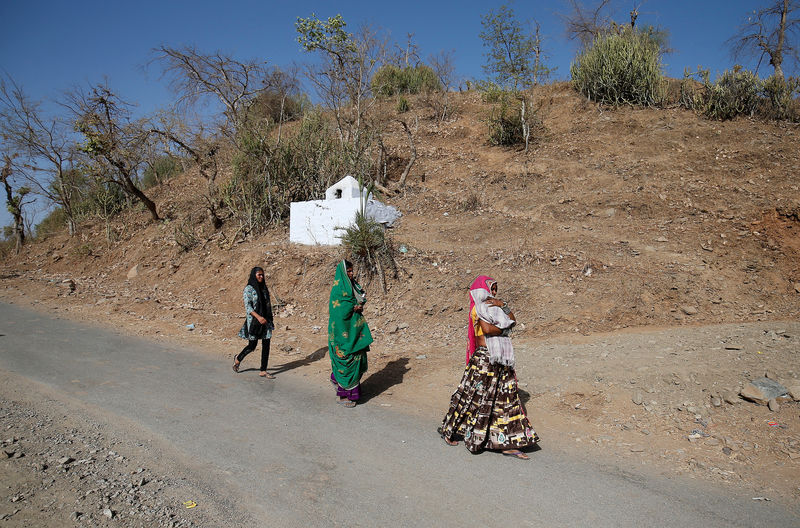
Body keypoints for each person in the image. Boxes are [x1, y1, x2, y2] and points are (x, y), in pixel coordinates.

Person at [439, 275, 538, 459]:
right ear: (481, 290)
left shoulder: (496, 309)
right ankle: (449, 430)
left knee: (504, 401)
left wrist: (503, 305)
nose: (494, 292)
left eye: (495, 289)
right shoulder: (478, 309)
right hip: (484, 359)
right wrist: (505, 329)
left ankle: (507, 444)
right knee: (472, 397)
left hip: (500, 359)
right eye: (491, 288)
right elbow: (488, 330)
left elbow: (513, 320)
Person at [328, 259, 372, 408]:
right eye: (349, 271)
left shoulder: (353, 286)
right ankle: (343, 396)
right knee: (347, 359)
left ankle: (339, 381)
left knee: (357, 357)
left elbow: (361, 298)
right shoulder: (338, 289)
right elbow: (338, 310)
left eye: (352, 271)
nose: (352, 274)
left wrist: (359, 305)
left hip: (354, 331)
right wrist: (352, 307)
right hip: (342, 332)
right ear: (342, 273)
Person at [233, 266, 275, 378]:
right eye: (259, 275)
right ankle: (238, 358)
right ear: (254, 275)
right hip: (254, 321)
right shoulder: (249, 289)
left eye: (262, 275)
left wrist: (267, 318)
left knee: (266, 344)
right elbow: (248, 307)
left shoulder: (264, 288)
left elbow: (267, 305)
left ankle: (263, 370)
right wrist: (258, 317)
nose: (261, 277)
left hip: (265, 321)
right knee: (252, 345)